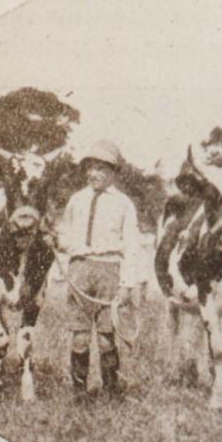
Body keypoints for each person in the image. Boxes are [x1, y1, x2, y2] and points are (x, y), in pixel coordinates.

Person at [57, 139, 142, 397]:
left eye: (102, 169)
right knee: (79, 336)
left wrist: (127, 283)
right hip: (80, 269)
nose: (93, 173)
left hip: (110, 270)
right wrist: (62, 243)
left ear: (114, 173)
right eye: (90, 167)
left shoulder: (124, 204)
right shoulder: (76, 200)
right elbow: (65, 233)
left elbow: (131, 245)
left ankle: (112, 391)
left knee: (106, 336)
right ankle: (79, 393)